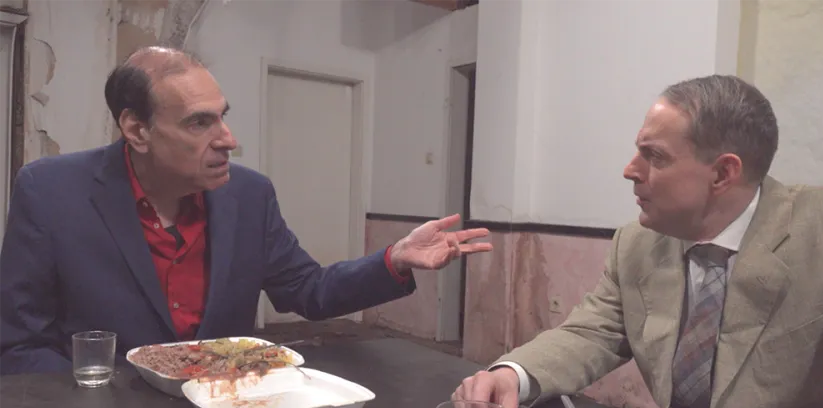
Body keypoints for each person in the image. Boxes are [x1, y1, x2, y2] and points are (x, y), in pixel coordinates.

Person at [452, 74, 823, 408]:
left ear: (723, 173)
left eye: (655, 156)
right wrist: (512, 374)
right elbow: (591, 333)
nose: (630, 170)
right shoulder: (638, 243)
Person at [0, 46, 492, 375]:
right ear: (137, 130)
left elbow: (307, 290)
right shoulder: (51, 192)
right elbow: (21, 345)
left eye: (223, 117)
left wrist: (394, 260)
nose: (228, 140)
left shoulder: (249, 196)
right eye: (199, 123)